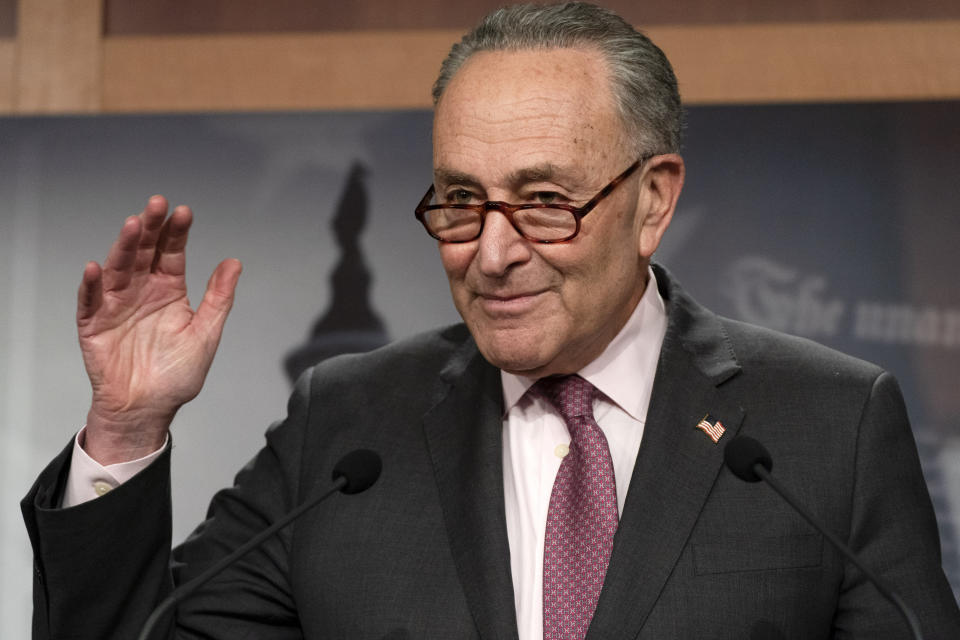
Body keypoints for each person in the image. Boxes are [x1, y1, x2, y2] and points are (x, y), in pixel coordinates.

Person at [21, 3, 960, 639]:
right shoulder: (347, 428)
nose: (493, 251)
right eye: (462, 201)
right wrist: (128, 430)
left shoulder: (826, 426)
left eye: (545, 199)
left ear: (653, 200)